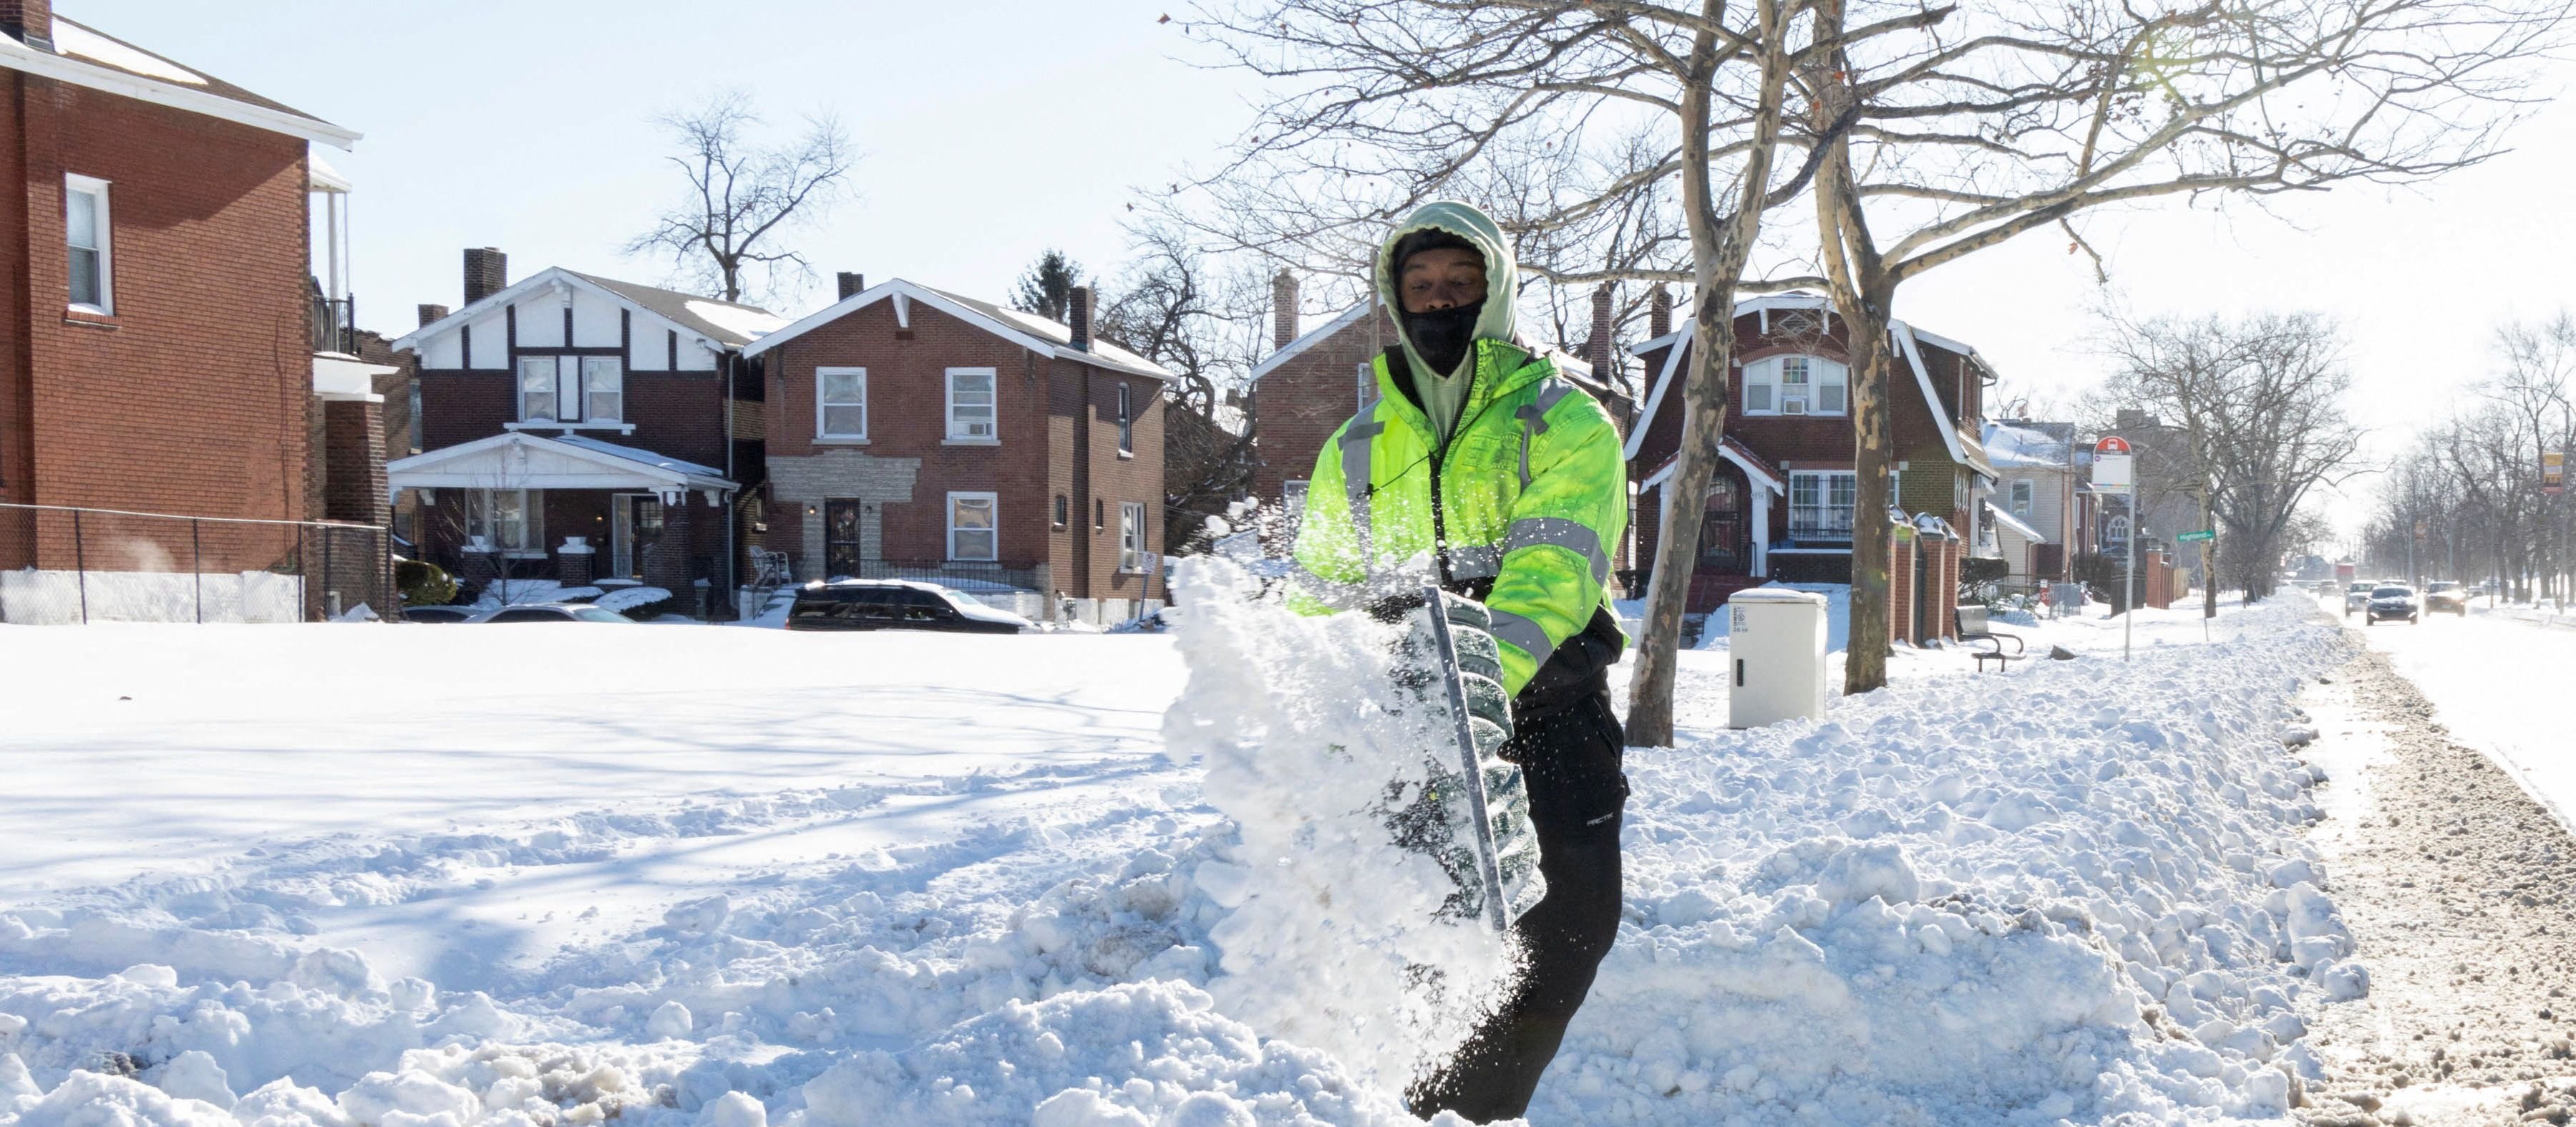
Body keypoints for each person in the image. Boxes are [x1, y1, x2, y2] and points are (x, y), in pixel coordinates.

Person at [1287, 200, 1630, 1122]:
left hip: (1548, 720)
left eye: (1459, 284)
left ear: (1495, 292)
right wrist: (1333, 723)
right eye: (1420, 286)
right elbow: (1320, 600)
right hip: (1405, 729)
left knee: (1564, 931)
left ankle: (1477, 1110)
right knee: (1413, 941)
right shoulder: (1354, 448)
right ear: (1395, 302)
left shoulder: (1560, 419)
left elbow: (1551, 572)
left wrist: (1471, 691)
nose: (1440, 301)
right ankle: (1398, 1102)